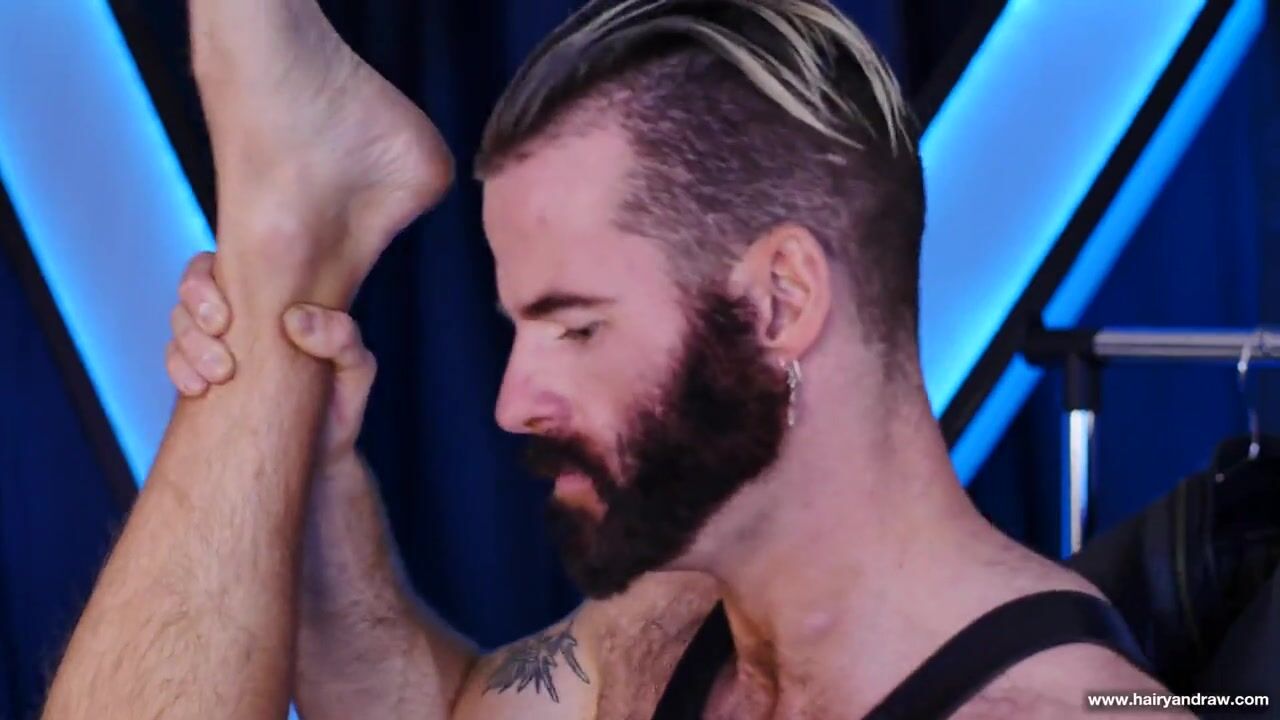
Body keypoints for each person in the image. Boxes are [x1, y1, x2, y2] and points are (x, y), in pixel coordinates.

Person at [46, 0, 1187, 718]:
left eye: (577, 327)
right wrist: (317, 476)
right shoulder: (685, 613)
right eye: (520, 328)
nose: (512, 403)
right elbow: (443, 711)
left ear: (780, 302)